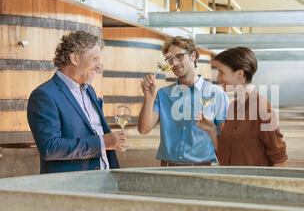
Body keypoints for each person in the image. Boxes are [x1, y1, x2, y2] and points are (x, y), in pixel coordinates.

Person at [27, 31, 125, 174]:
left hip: (104, 179)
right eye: (95, 59)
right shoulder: (44, 95)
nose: (99, 66)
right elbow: (50, 148)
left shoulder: (90, 91)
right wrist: (103, 143)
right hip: (72, 186)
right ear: (74, 58)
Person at [138, 36, 229, 166]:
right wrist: (148, 96)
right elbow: (143, 129)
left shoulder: (216, 94)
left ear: (193, 56)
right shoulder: (163, 94)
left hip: (202, 170)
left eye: (179, 56)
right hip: (168, 169)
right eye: (170, 59)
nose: (174, 63)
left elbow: (226, 142)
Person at [196, 47, 288, 167]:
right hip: (232, 183)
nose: (218, 79)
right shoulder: (233, 107)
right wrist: (212, 130)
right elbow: (225, 155)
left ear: (240, 74)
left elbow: (279, 160)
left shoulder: (262, 109)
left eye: (221, 72)